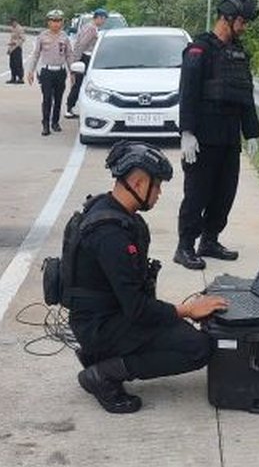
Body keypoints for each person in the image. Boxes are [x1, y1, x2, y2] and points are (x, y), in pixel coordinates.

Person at [64, 141, 228, 414]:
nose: (159, 192)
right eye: (157, 185)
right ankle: (103, 374)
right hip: (101, 327)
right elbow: (138, 309)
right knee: (198, 348)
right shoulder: (111, 235)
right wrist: (186, 310)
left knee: (178, 330)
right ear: (139, 183)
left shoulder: (108, 209)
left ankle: (101, 357)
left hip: (104, 317)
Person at [173, 0, 259, 271]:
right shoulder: (199, 50)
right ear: (227, 18)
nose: (244, 27)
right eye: (242, 21)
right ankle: (185, 246)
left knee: (225, 194)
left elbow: (245, 94)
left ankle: (209, 241)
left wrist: (252, 133)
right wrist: (187, 132)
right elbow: (187, 93)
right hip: (202, 139)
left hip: (229, 137)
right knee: (197, 195)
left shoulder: (238, 53)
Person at [27, 9, 74, 136]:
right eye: (53, 21)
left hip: (60, 71)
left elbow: (69, 55)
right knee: (47, 98)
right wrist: (31, 71)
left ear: (62, 22)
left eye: (59, 21)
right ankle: (45, 124)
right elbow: (36, 54)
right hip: (47, 72)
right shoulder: (42, 36)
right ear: (48, 22)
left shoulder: (65, 37)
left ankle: (55, 122)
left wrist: (72, 72)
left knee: (58, 99)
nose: (56, 23)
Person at [65, 7, 107, 119]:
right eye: (103, 19)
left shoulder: (89, 27)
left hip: (85, 57)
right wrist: (76, 60)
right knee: (79, 83)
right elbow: (82, 44)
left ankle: (72, 107)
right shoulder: (91, 29)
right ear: (98, 18)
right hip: (85, 57)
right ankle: (69, 107)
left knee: (80, 84)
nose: (104, 22)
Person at [6, 17, 25, 83]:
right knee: (12, 64)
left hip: (17, 48)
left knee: (18, 64)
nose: (11, 24)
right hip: (12, 49)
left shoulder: (20, 29)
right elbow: (11, 39)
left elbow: (23, 39)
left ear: (15, 22)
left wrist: (16, 43)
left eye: (12, 22)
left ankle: (20, 78)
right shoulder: (12, 29)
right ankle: (13, 77)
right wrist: (9, 49)